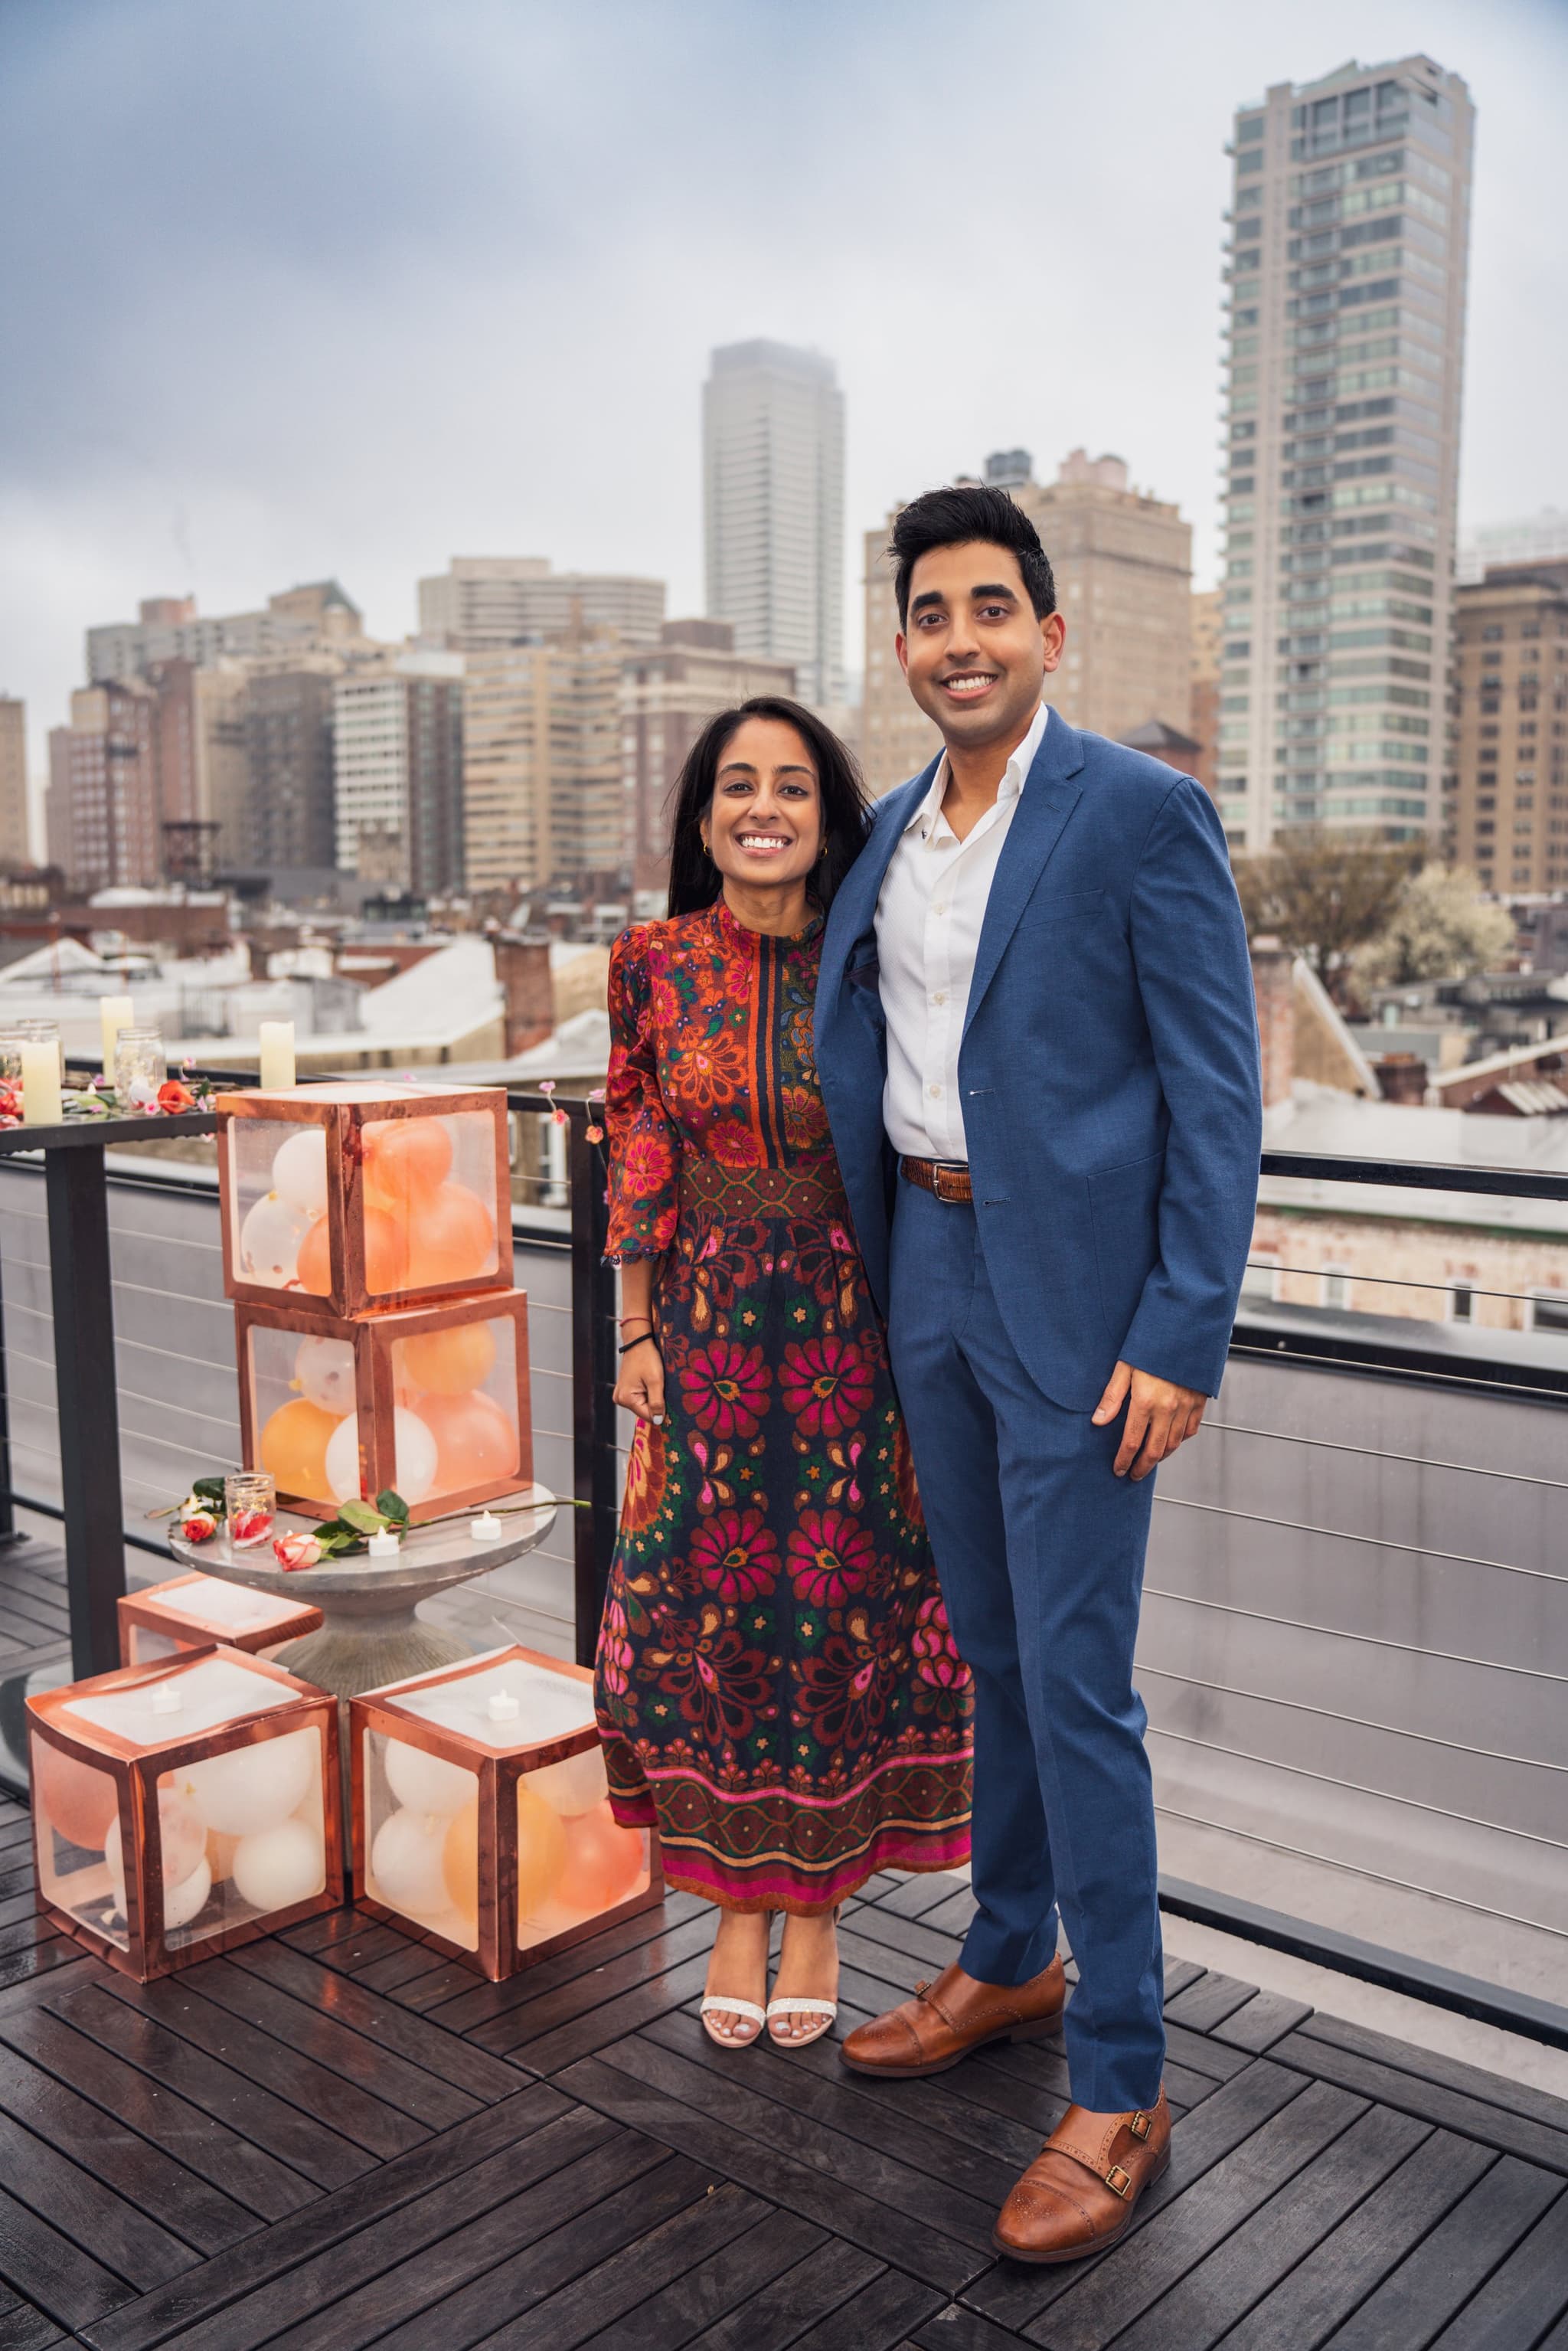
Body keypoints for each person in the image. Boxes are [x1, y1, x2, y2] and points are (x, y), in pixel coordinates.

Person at [815, 486, 1262, 2261]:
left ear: (1049, 633)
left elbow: (1217, 1094)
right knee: (991, 1649)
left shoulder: (1142, 813)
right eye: (931, 612)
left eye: (993, 606)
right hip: (923, 1267)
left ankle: (1125, 2068)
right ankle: (1008, 1952)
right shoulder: (886, 836)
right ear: (904, 643)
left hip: (1080, 1307)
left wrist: (1180, 1324)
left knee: (1076, 1680)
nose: (961, 637)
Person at [594, 697, 973, 2052]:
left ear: (828, 816)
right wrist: (635, 1333)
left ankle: (814, 1910)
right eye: (738, 785)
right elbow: (635, 1143)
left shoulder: (871, 958)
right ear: (703, 817)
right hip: (699, 1332)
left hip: (850, 1334)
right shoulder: (650, 959)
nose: (766, 806)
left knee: (837, 1616)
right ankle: (733, 1907)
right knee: (704, 1611)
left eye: (794, 786)